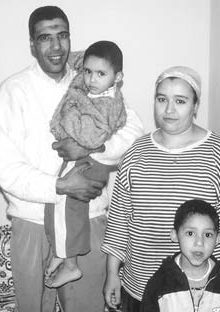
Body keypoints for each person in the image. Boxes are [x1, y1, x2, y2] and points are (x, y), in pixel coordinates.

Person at [0, 6, 144, 312]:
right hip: (32, 221)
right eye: (44, 38)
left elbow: (134, 134)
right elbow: (7, 171)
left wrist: (91, 149)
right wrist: (61, 185)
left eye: (62, 35)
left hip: (89, 219)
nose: (56, 45)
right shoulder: (15, 90)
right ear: (32, 45)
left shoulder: (91, 78)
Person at [102, 66, 220, 312]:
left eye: (181, 101)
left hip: (204, 295)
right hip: (140, 288)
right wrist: (112, 273)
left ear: (195, 106)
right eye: (162, 99)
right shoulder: (136, 153)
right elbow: (119, 220)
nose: (169, 109)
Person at [45, 40, 126, 288]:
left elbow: (89, 138)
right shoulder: (100, 89)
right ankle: (62, 253)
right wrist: (73, 59)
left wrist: (72, 105)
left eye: (101, 74)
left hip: (89, 164)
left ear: (118, 77)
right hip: (85, 161)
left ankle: (71, 265)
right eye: (88, 72)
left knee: (64, 209)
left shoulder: (107, 103)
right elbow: (78, 59)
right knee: (60, 209)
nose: (91, 78)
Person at [141, 199, 220, 312]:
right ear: (175, 235)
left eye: (208, 234)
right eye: (190, 233)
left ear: (217, 239)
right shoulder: (160, 282)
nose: (199, 242)